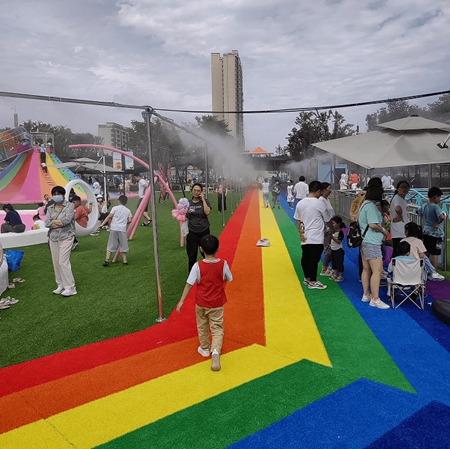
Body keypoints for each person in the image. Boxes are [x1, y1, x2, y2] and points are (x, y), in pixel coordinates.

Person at [176, 234, 233, 372]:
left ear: (201, 249)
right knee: (217, 327)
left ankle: (205, 348)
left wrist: (182, 301)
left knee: (202, 325)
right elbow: (229, 278)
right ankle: (215, 351)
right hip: (217, 303)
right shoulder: (223, 264)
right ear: (218, 248)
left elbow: (189, 284)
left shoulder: (197, 266)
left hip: (201, 302)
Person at [294, 180, 333, 289]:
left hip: (305, 235)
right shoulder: (319, 202)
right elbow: (327, 219)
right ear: (318, 191)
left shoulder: (301, 203)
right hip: (316, 236)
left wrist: (300, 232)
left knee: (305, 257)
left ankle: (307, 278)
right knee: (314, 259)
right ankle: (313, 281)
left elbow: (298, 219)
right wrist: (332, 228)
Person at [358, 185, 390, 309]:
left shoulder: (364, 204)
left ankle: (367, 294)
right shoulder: (371, 207)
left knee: (366, 269)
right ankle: (375, 299)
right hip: (372, 242)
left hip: (365, 241)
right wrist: (383, 230)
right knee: (377, 271)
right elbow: (372, 224)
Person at [45, 186, 77, 297]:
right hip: (53, 237)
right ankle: (61, 285)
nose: (56, 196)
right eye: (54, 194)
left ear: (63, 195)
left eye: (58, 194)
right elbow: (47, 223)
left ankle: (71, 287)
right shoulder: (50, 208)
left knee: (63, 262)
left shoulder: (69, 206)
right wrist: (58, 222)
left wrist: (54, 222)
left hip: (66, 236)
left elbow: (67, 221)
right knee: (56, 262)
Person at [418, 187, 446, 270]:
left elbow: (418, 212)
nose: (440, 199)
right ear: (435, 197)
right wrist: (437, 223)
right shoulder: (435, 207)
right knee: (435, 253)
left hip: (426, 231)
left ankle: (423, 269)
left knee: (426, 252)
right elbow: (442, 217)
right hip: (436, 233)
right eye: (439, 197)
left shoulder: (424, 206)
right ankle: (433, 271)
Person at [99, 195, 132, 266]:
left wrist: (102, 224)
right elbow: (130, 220)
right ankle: (125, 261)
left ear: (119, 201)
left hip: (114, 228)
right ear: (126, 202)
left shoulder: (115, 208)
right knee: (123, 245)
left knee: (111, 244)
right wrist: (124, 222)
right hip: (122, 229)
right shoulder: (128, 210)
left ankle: (107, 260)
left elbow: (109, 216)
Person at [186, 183, 212, 272]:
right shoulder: (188, 203)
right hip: (192, 232)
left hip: (204, 231)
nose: (196, 192)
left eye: (198, 191)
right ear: (192, 191)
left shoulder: (205, 201)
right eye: (194, 190)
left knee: (206, 253)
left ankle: (210, 271)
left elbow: (207, 212)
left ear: (201, 192)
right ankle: (192, 275)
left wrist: (203, 199)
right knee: (191, 255)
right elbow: (184, 216)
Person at [390, 181, 410, 257]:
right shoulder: (397, 199)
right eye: (402, 187)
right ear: (398, 189)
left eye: (406, 187)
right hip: (399, 230)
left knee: (398, 250)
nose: (404, 189)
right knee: (398, 251)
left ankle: (394, 266)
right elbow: (398, 208)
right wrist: (400, 215)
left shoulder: (400, 198)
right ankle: (393, 267)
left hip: (400, 229)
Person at [319, 182, 335, 276]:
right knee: (328, 248)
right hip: (327, 228)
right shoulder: (321, 201)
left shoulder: (327, 200)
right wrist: (325, 228)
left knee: (331, 247)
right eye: (329, 188)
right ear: (323, 190)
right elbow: (322, 216)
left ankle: (328, 266)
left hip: (331, 227)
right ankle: (324, 269)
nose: (330, 190)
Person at [329, 216, 346, 282]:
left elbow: (339, 242)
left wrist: (332, 237)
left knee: (339, 262)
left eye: (333, 223)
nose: (332, 225)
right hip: (333, 249)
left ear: (338, 224)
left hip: (339, 250)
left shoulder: (340, 232)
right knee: (334, 262)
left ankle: (341, 275)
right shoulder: (333, 231)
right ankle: (335, 274)